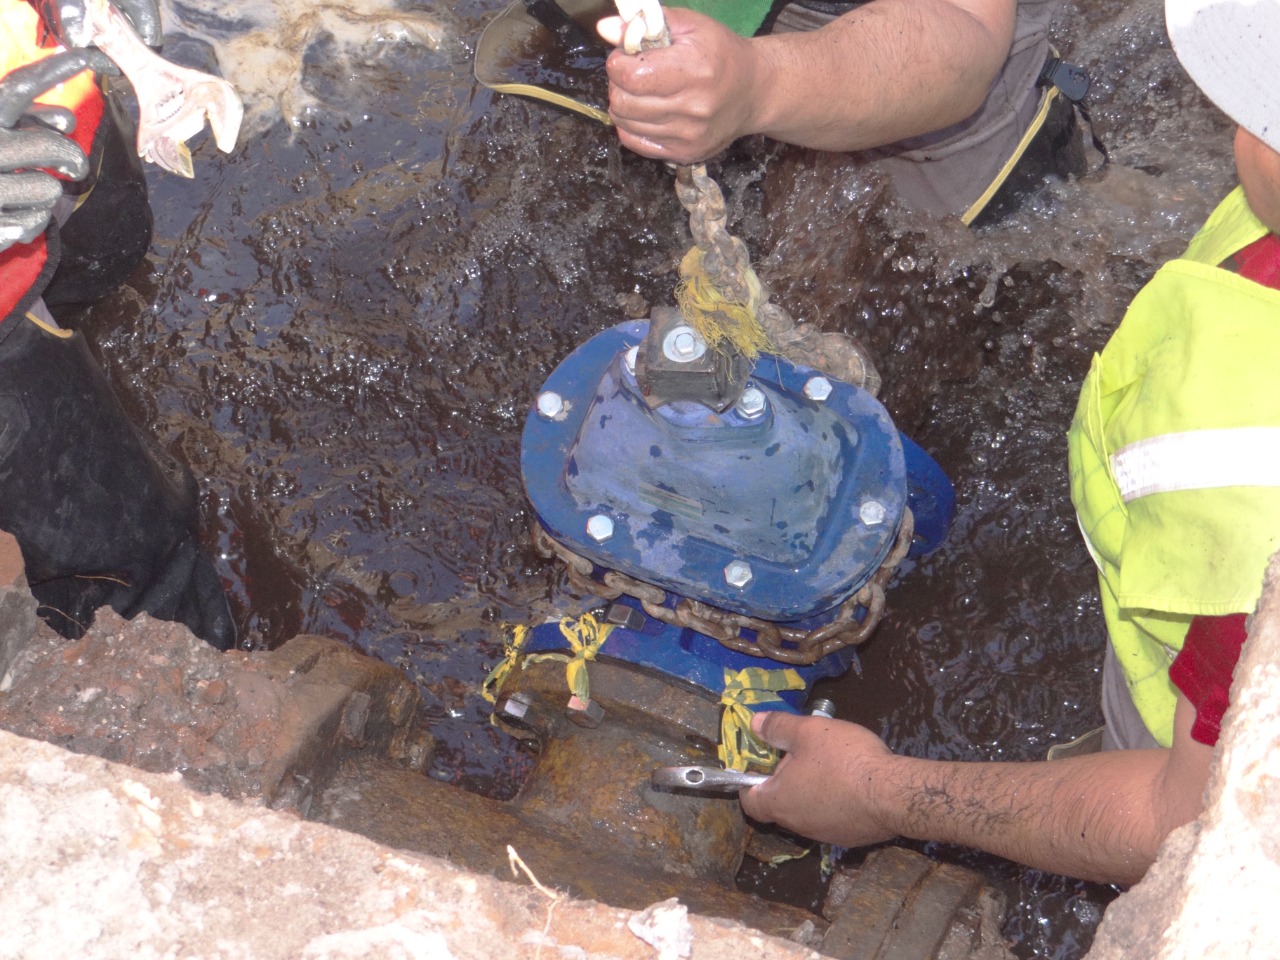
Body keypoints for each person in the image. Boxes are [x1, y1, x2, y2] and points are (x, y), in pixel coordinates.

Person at [740, 0, 1280, 885]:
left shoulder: (1251, 500)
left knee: (1153, 787)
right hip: (1195, 604)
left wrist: (879, 790)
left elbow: (1185, 819)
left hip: (1189, 709)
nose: (1233, 119)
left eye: (1258, 109)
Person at [0, 0, 236, 650]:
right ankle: (183, 699)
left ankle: (70, 317)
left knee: (112, 246)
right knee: (135, 558)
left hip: (49, 90)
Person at [596, 0, 1092, 224]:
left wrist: (759, 83)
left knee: (1001, 275)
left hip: (927, 55)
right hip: (715, 26)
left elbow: (969, 27)